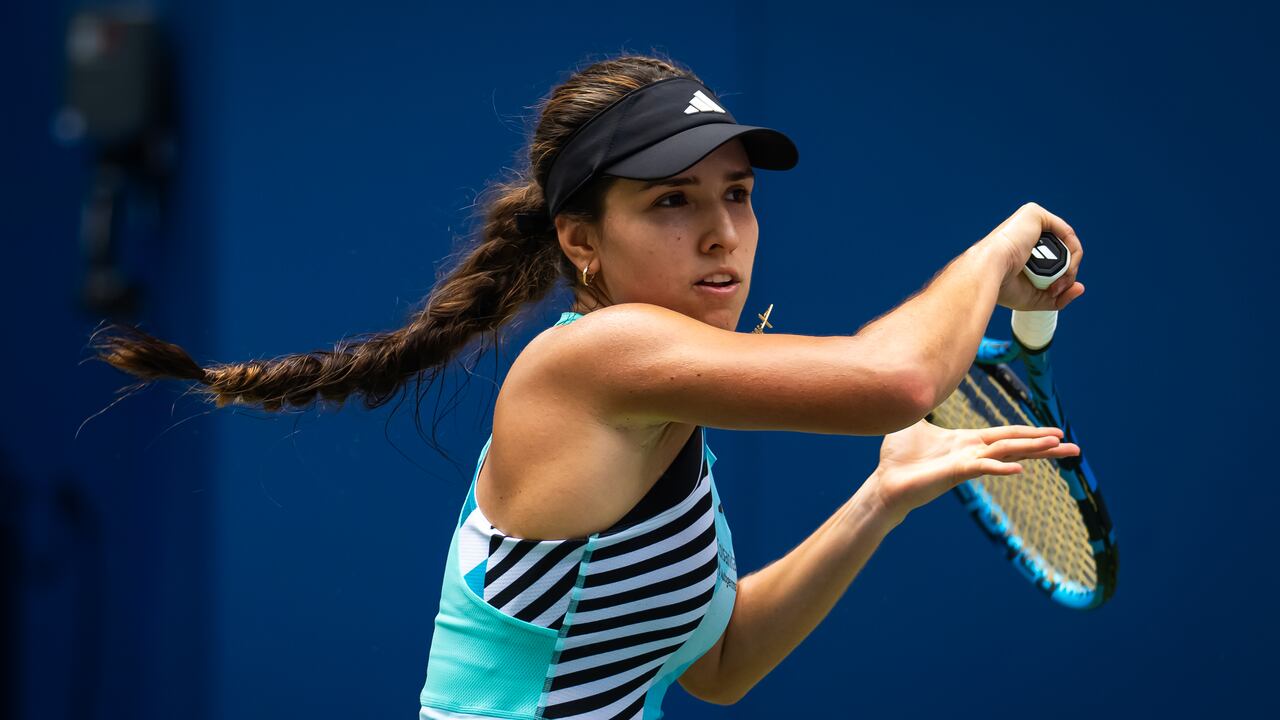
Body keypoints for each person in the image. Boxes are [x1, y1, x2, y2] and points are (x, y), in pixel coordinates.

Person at [88, 53, 1085, 719]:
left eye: (736, 196)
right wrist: (1000, 246)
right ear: (581, 243)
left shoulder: (668, 402)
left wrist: (877, 497)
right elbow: (896, 375)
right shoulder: (591, 363)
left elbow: (719, 662)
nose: (721, 235)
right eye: (670, 202)